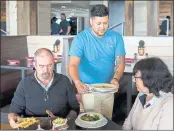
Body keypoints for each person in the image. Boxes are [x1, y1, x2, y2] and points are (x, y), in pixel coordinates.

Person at [69, 4, 126, 119]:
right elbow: (73, 64)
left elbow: (120, 62)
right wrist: (77, 82)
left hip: (108, 87)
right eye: (98, 23)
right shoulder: (80, 38)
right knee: (90, 120)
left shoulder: (116, 37)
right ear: (91, 21)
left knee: (106, 120)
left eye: (105, 23)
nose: (102, 27)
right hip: (88, 88)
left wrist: (115, 79)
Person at [8, 48, 80, 128]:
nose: (46, 70)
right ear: (34, 65)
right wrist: (12, 119)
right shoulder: (24, 84)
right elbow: (14, 112)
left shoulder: (64, 81)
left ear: (54, 63)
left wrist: (65, 122)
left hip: (60, 127)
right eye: (41, 66)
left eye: (49, 65)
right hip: (33, 127)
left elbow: (75, 108)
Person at [122, 57, 173, 130]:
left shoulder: (169, 105)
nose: (134, 80)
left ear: (150, 79)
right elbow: (128, 123)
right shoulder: (142, 93)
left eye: (136, 77)